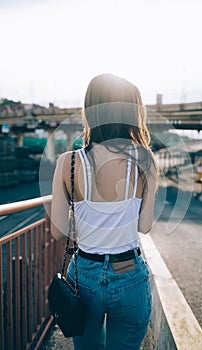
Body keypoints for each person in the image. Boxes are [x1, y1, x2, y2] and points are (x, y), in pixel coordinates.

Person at [51, 74, 158, 350]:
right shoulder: (144, 160)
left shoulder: (68, 163)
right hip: (129, 271)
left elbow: (57, 231)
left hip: (84, 273)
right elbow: (144, 226)